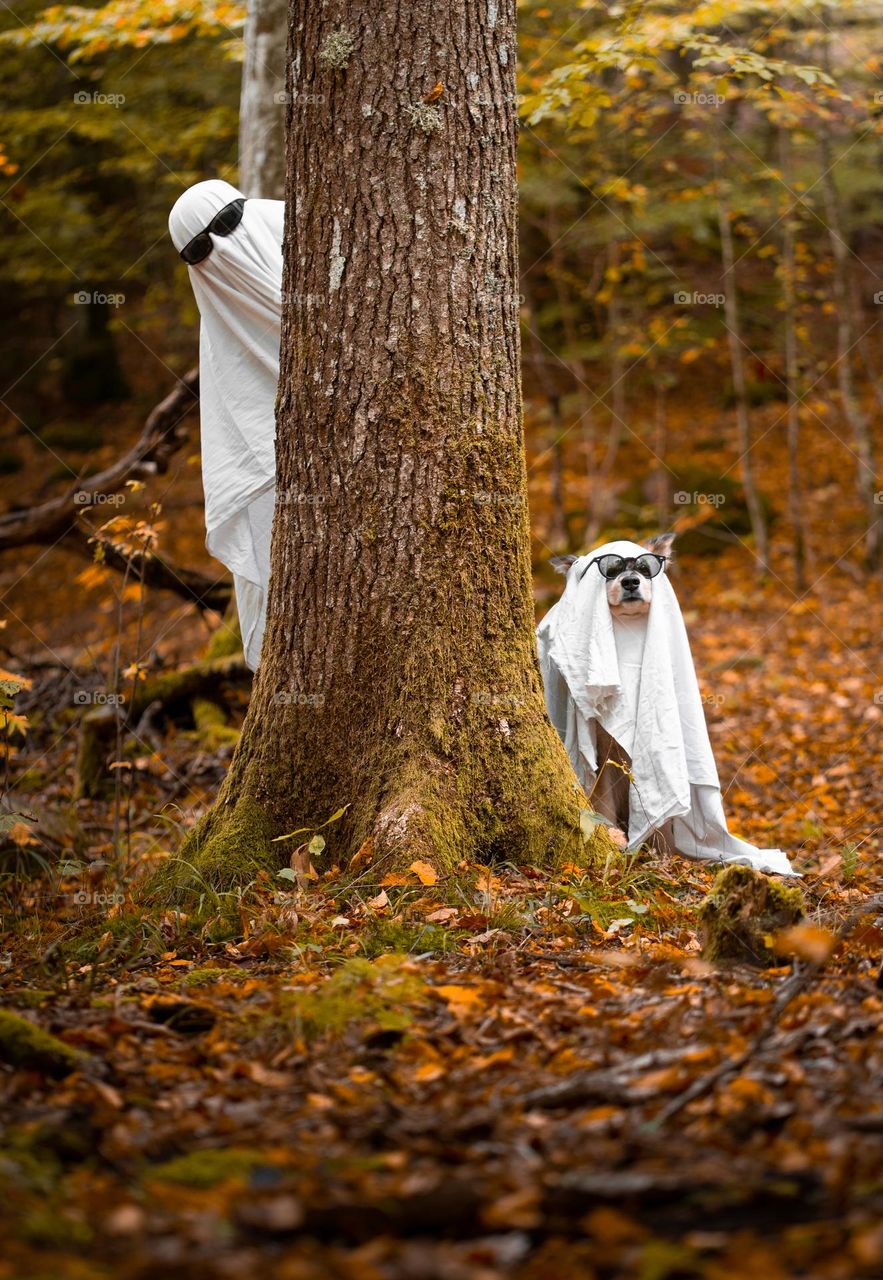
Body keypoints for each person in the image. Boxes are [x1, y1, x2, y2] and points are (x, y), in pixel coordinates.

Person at [167, 178, 284, 671]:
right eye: (198, 249)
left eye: (226, 224)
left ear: (246, 210)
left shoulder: (298, 233)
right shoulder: (217, 332)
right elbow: (240, 434)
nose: (218, 248)